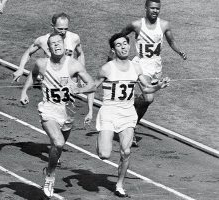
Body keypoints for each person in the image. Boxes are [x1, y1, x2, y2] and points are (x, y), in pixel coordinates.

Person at [87, 33, 170, 197]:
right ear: (113, 49)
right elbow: (92, 87)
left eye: (125, 43)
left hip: (127, 112)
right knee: (104, 154)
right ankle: (101, 141)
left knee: (126, 152)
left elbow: (146, 88)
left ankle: (119, 185)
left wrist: (159, 86)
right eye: (119, 45)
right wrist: (78, 92)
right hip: (109, 111)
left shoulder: (136, 67)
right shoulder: (107, 68)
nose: (123, 47)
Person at [20, 33, 95, 198]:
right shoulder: (41, 63)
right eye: (52, 43)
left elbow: (92, 84)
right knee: (59, 142)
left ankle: (49, 169)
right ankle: (50, 177)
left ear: (64, 44)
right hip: (48, 110)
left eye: (59, 42)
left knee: (57, 149)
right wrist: (25, 91)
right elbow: (32, 76)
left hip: (67, 113)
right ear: (49, 48)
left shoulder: (73, 65)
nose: (56, 45)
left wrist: (79, 90)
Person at [108, 0, 186, 146]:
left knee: (145, 102)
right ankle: (129, 128)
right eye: (152, 8)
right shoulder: (136, 25)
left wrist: (179, 52)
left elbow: (171, 41)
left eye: (157, 9)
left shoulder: (164, 25)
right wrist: (113, 54)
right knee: (149, 98)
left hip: (156, 66)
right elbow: (120, 36)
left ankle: (130, 122)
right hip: (141, 64)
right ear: (146, 8)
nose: (155, 11)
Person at [12, 12, 85, 82]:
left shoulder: (74, 38)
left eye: (65, 29)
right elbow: (28, 52)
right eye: (60, 29)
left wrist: (82, 74)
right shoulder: (43, 40)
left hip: (69, 79)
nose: (63, 32)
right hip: (50, 80)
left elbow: (80, 54)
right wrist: (21, 68)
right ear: (52, 26)